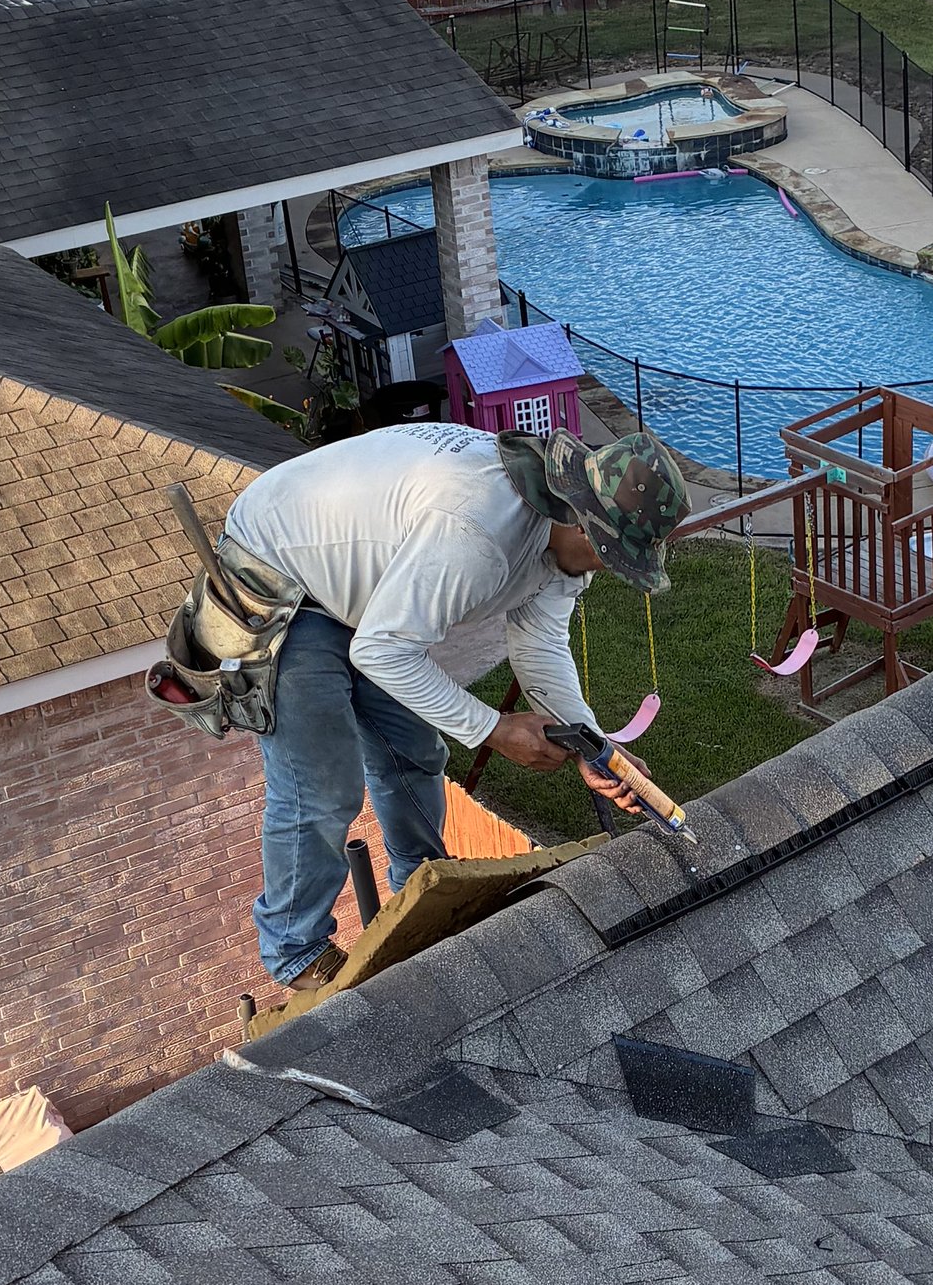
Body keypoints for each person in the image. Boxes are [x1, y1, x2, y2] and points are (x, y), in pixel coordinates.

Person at [219, 417, 691, 998]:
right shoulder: (477, 534)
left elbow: (539, 645)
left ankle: (420, 884)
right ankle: (297, 949)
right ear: (584, 522)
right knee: (322, 782)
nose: (607, 571)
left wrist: (594, 746)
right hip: (279, 573)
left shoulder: (562, 531)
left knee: (415, 749)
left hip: (366, 590)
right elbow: (384, 653)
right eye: (611, 556)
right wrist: (494, 729)